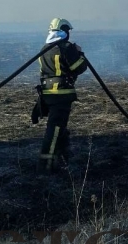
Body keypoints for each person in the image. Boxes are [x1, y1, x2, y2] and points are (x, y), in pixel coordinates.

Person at [34, 18, 88, 171]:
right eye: (68, 31)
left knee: (60, 127)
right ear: (64, 31)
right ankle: (46, 165)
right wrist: (79, 53)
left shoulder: (45, 48)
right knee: (55, 129)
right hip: (62, 94)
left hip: (47, 94)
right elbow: (79, 67)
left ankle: (63, 159)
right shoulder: (66, 47)